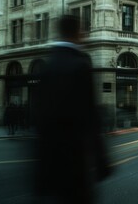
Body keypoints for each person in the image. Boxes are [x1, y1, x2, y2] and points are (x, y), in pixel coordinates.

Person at [35, 15, 110, 204]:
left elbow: (39, 119)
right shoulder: (80, 65)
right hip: (75, 159)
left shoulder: (46, 66)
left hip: (50, 162)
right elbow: (90, 118)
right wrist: (101, 161)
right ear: (77, 33)